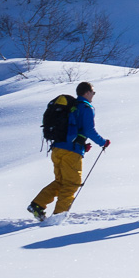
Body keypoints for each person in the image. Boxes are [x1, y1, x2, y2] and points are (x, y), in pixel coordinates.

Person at [28, 81, 110, 222]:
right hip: (70, 151)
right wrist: (103, 142)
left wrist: (82, 147)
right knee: (71, 183)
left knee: (61, 181)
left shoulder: (71, 107)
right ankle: (58, 217)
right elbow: (89, 130)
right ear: (87, 92)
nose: (93, 95)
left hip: (57, 148)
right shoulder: (86, 107)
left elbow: (72, 131)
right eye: (93, 92)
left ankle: (37, 205)